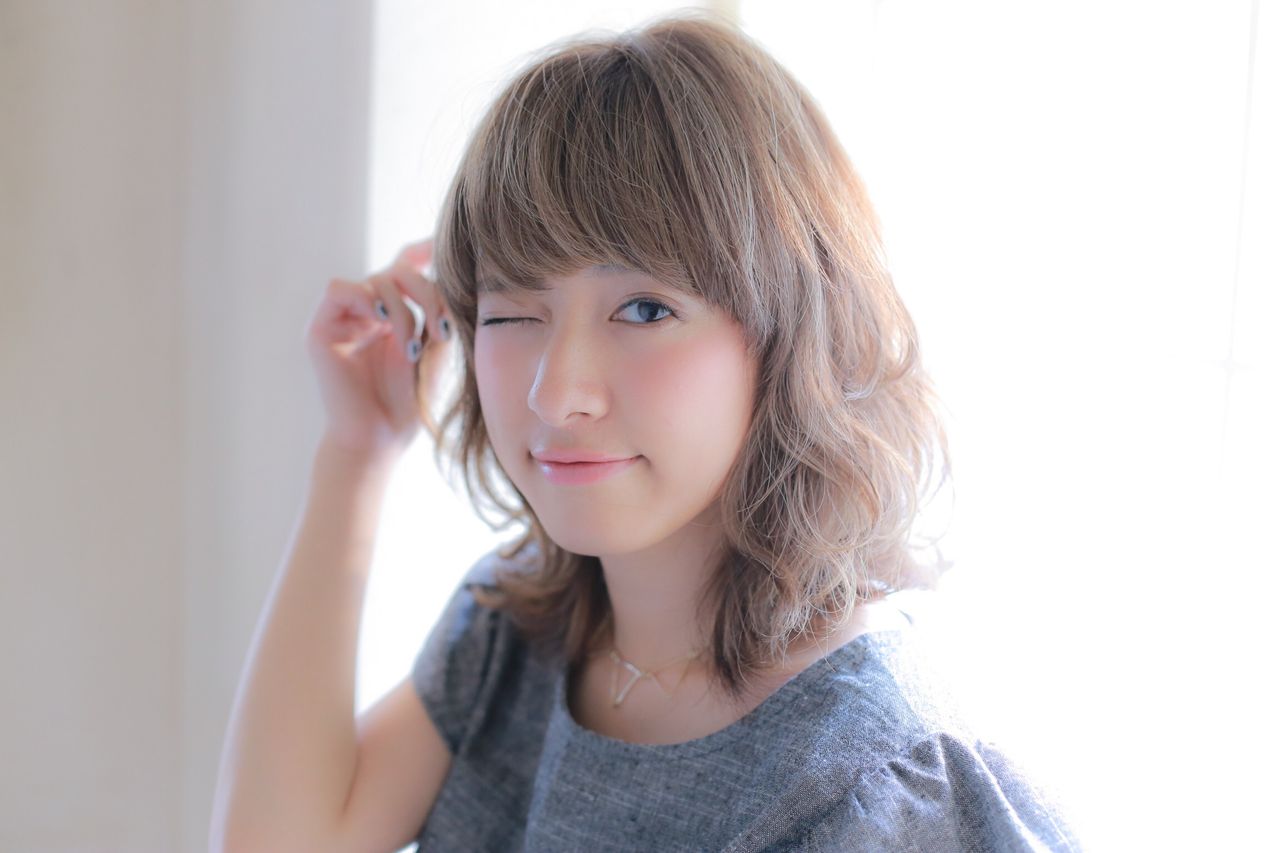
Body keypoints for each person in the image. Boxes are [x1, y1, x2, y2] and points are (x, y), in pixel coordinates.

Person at [211, 11, 1082, 853]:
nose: (557, 394)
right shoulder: (516, 636)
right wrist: (356, 450)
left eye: (643, 308)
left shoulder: (870, 788)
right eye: (513, 313)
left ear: (790, 336)